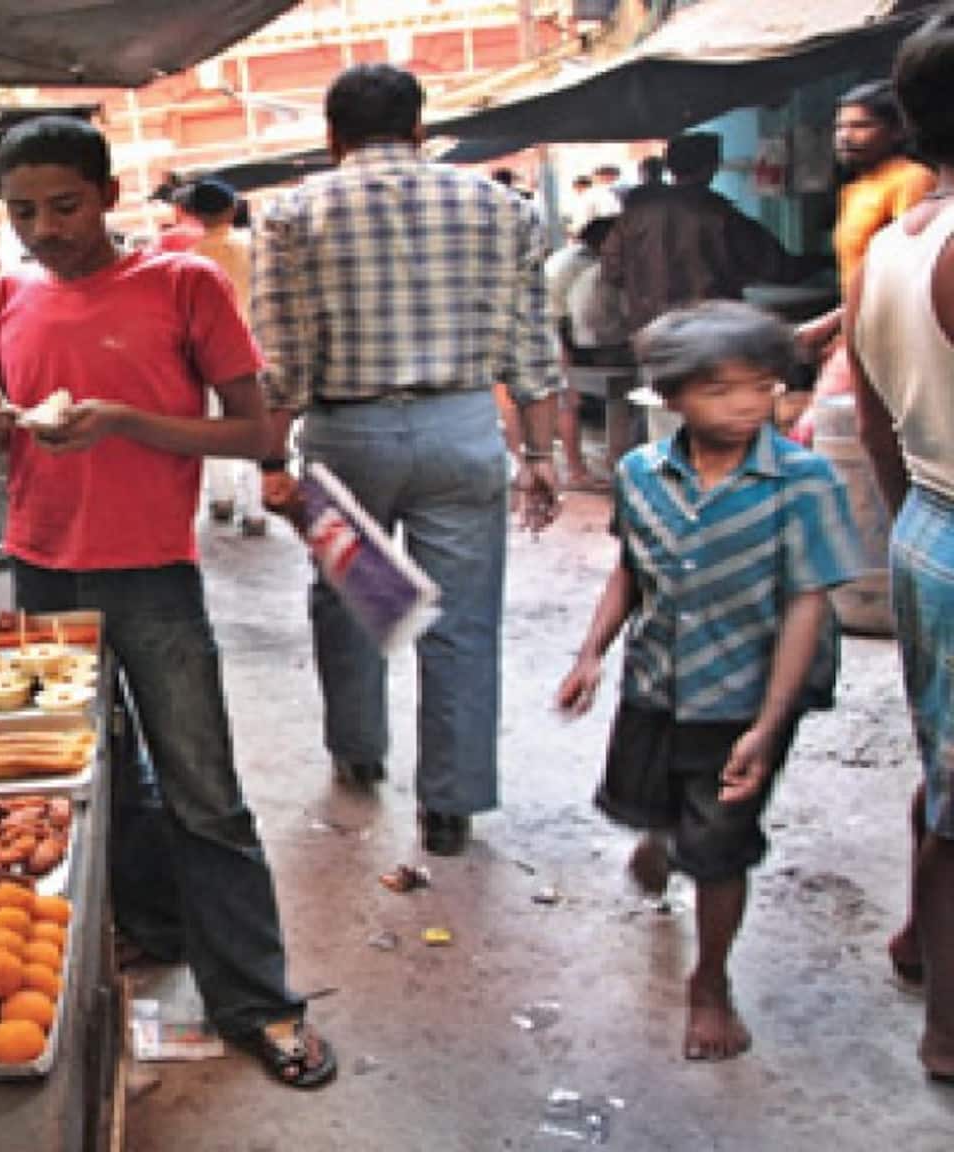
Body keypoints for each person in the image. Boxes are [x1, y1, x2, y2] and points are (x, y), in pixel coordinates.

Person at [0, 114, 338, 1091]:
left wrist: (124, 421)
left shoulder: (182, 283)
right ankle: (151, 934)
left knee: (202, 792)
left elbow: (252, 433)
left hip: (151, 574)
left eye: (63, 205)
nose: (42, 228)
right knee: (87, 786)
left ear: (108, 194)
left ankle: (255, 997)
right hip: (35, 576)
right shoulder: (2, 296)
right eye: (21, 211)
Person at [254, 62, 563, 855]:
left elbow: (283, 356)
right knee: (462, 620)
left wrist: (269, 458)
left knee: (353, 600)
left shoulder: (292, 212)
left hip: (346, 436)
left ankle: (359, 754)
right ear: (421, 129)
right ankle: (451, 805)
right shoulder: (503, 206)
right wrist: (538, 452)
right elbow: (531, 345)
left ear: (333, 136)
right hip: (461, 428)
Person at [555, 301, 863, 1062]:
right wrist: (591, 652)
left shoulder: (804, 481)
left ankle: (711, 982)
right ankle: (662, 835)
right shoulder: (639, 474)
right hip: (657, 681)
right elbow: (630, 571)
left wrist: (769, 723)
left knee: (721, 847)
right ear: (671, 398)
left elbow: (805, 605)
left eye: (762, 387)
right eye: (722, 392)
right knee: (648, 801)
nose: (747, 406)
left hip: (746, 696)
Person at [845, 10, 954, 1081]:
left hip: (928, 515)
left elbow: (876, 423)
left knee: (944, 763)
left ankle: (922, 946)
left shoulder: (889, 242)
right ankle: (945, 1026)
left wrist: (910, 526)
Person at [600, 133, 802, 334]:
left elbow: (612, 270)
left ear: (670, 166)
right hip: (710, 330)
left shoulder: (634, 215)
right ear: (711, 167)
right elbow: (774, 266)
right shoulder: (720, 214)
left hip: (650, 330)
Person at [794, 81, 938, 362]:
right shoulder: (855, 189)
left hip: (899, 332)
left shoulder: (910, 179)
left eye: (861, 126)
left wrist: (830, 323)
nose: (846, 137)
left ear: (897, 132)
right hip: (863, 329)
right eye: (840, 127)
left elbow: (906, 273)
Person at [180, 177, 266, 535]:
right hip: (256, 350)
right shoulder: (257, 248)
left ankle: (223, 498)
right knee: (253, 427)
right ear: (232, 209)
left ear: (195, 215)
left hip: (206, 357)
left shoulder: (189, 260)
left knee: (214, 428)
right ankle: (255, 510)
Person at [544, 215, 629, 489]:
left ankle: (578, 466)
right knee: (568, 400)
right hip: (556, 332)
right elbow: (584, 324)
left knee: (566, 400)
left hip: (558, 330)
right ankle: (576, 470)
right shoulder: (587, 267)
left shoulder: (573, 258)